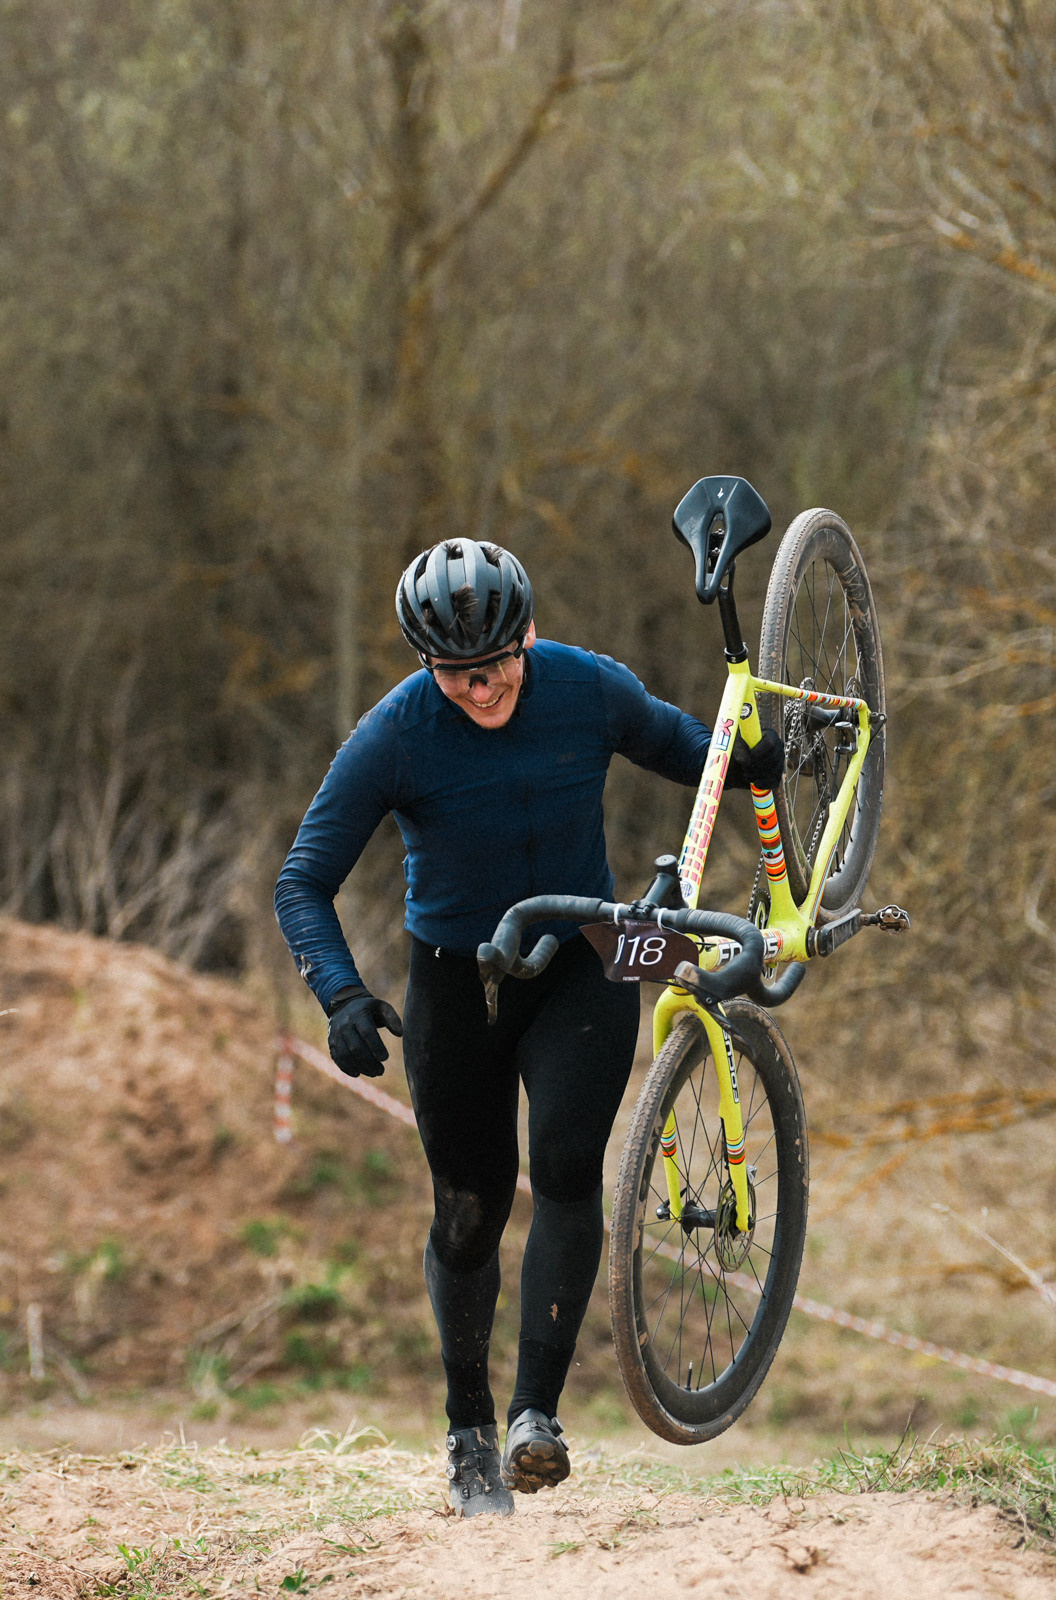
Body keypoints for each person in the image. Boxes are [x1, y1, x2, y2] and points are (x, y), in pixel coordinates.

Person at [272, 536, 782, 1516]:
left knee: (564, 1171)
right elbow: (303, 880)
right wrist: (339, 993)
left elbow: (688, 749)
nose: (483, 687)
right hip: (456, 985)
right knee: (467, 1211)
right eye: (458, 673)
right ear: (427, 663)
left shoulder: (587, 687)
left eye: (498, 664)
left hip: (582, 963)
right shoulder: (396, 733)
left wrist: (754, 757)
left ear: (529, 636)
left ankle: (533, 1419)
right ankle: (467, 1431)